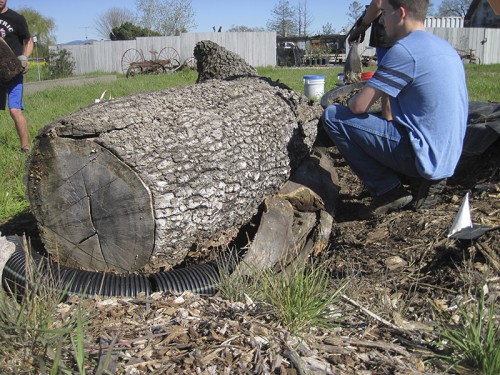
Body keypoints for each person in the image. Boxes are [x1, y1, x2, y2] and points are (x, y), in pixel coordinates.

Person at [321, 0, 468, 217]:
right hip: (449, 153)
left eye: (385, 13)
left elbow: (359, 106)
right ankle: (422, 177)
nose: (380, 20)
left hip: (424, 154)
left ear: (400, 13)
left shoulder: (405, 51)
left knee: (334, 116)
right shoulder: (444, 47)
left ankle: (387, 189)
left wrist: (348, 102)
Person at [349, 0, 393, 120]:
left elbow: (379, 2)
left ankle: (388, 126)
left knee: (387, 90)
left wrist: (363, 24)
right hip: (399, 32)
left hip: (388, 36)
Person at [0, 0, 33, 153]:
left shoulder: (16, 18)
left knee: (14, 110)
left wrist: (25, 58)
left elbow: (28, 41)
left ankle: (25, 147)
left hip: (13, 73)